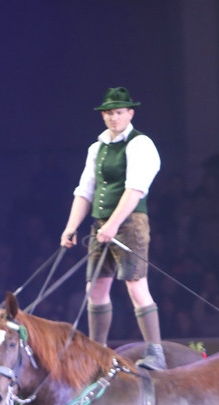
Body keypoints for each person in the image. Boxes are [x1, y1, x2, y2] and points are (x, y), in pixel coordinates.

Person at [60, 86, 166, 370]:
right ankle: (98, 350)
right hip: (101, 225)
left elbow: (135, 189)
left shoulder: (140, 144)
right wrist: (71, 227)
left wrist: (114, 224)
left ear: (130, 113)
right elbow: (85, 191)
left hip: (130, 223)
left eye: (119, 112)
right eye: (109, 113)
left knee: (135, 285)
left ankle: (155, 352)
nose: (114, 118)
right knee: (94, 288)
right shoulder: (97, 147)